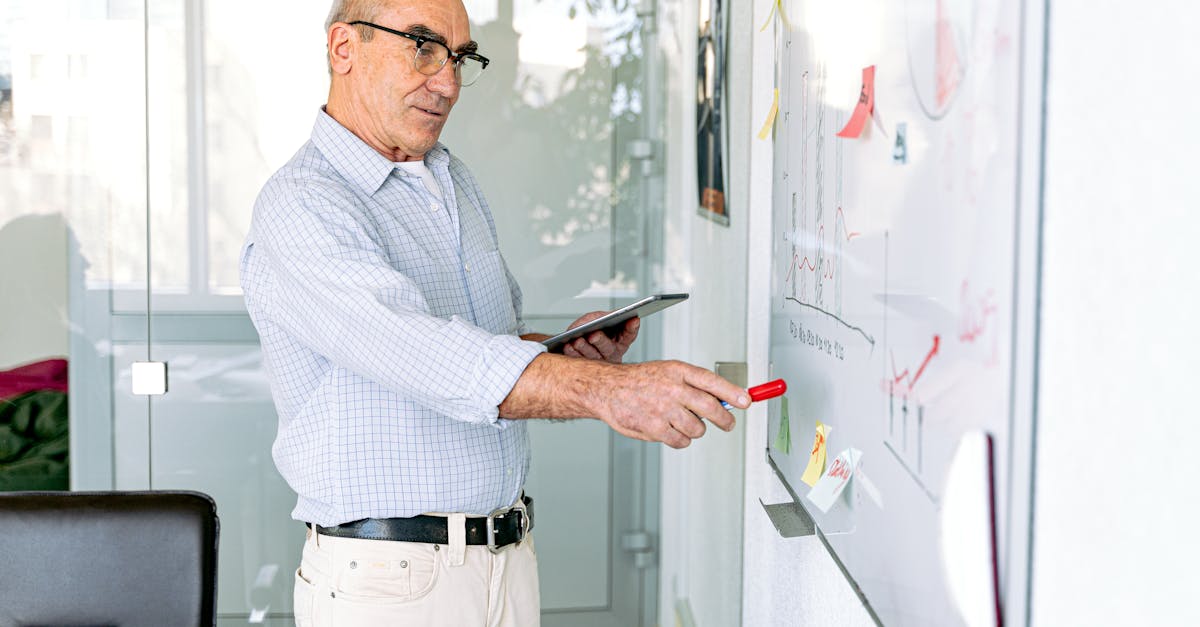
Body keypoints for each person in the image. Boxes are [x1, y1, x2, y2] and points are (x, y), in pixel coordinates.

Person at [239, 0, 750, 624]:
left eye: (460, 57)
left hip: (503, 562)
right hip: (388, 586)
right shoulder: (303, 205)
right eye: (424, 47)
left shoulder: (450, 182)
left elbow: (484, 345)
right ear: (344, 48)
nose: (450, 83)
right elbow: (425, 356)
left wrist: (559, 354)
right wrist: (607, 390)